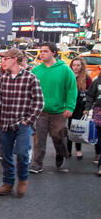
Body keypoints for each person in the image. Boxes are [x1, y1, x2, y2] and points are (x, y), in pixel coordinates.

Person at [0, 48, 44, 197]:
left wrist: (28, 121)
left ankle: (23, 179)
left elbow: (39, 103)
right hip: (5, 122)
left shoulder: (31, 78)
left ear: (14, 59)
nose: (2, 61)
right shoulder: (3, 78)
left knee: (21, 153)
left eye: (5, 58)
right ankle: (8, 182)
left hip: (22, 124)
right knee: (6, 154)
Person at [29, 42, 77, 173]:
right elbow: (29, 91)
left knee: (58, 137)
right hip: (40, 112)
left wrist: (70, 107)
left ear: (54, 53)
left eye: (45, 51)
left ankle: (60, 153)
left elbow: (72, 90)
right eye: (41, 51)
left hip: (59, 112)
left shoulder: (65, 70)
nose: (41, 53)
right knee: (39, 139)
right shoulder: (36, 71)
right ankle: (37, 164)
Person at [67, 57, 92, 160]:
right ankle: (68, 150)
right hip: (70, 105)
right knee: (69, 128)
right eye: (74, 65)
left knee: (78, 128)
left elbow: (90, 93)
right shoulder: (68, 75)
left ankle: (78, 150)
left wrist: (88, 107)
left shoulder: (86, 77)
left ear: (82, 66)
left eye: (78, 65)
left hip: (81, 106)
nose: (76, 67)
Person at [84, 70, 101, 175]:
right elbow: (90, 95)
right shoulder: (97, 81)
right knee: (100, 137)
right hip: (99, 111)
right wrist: (87, 108)